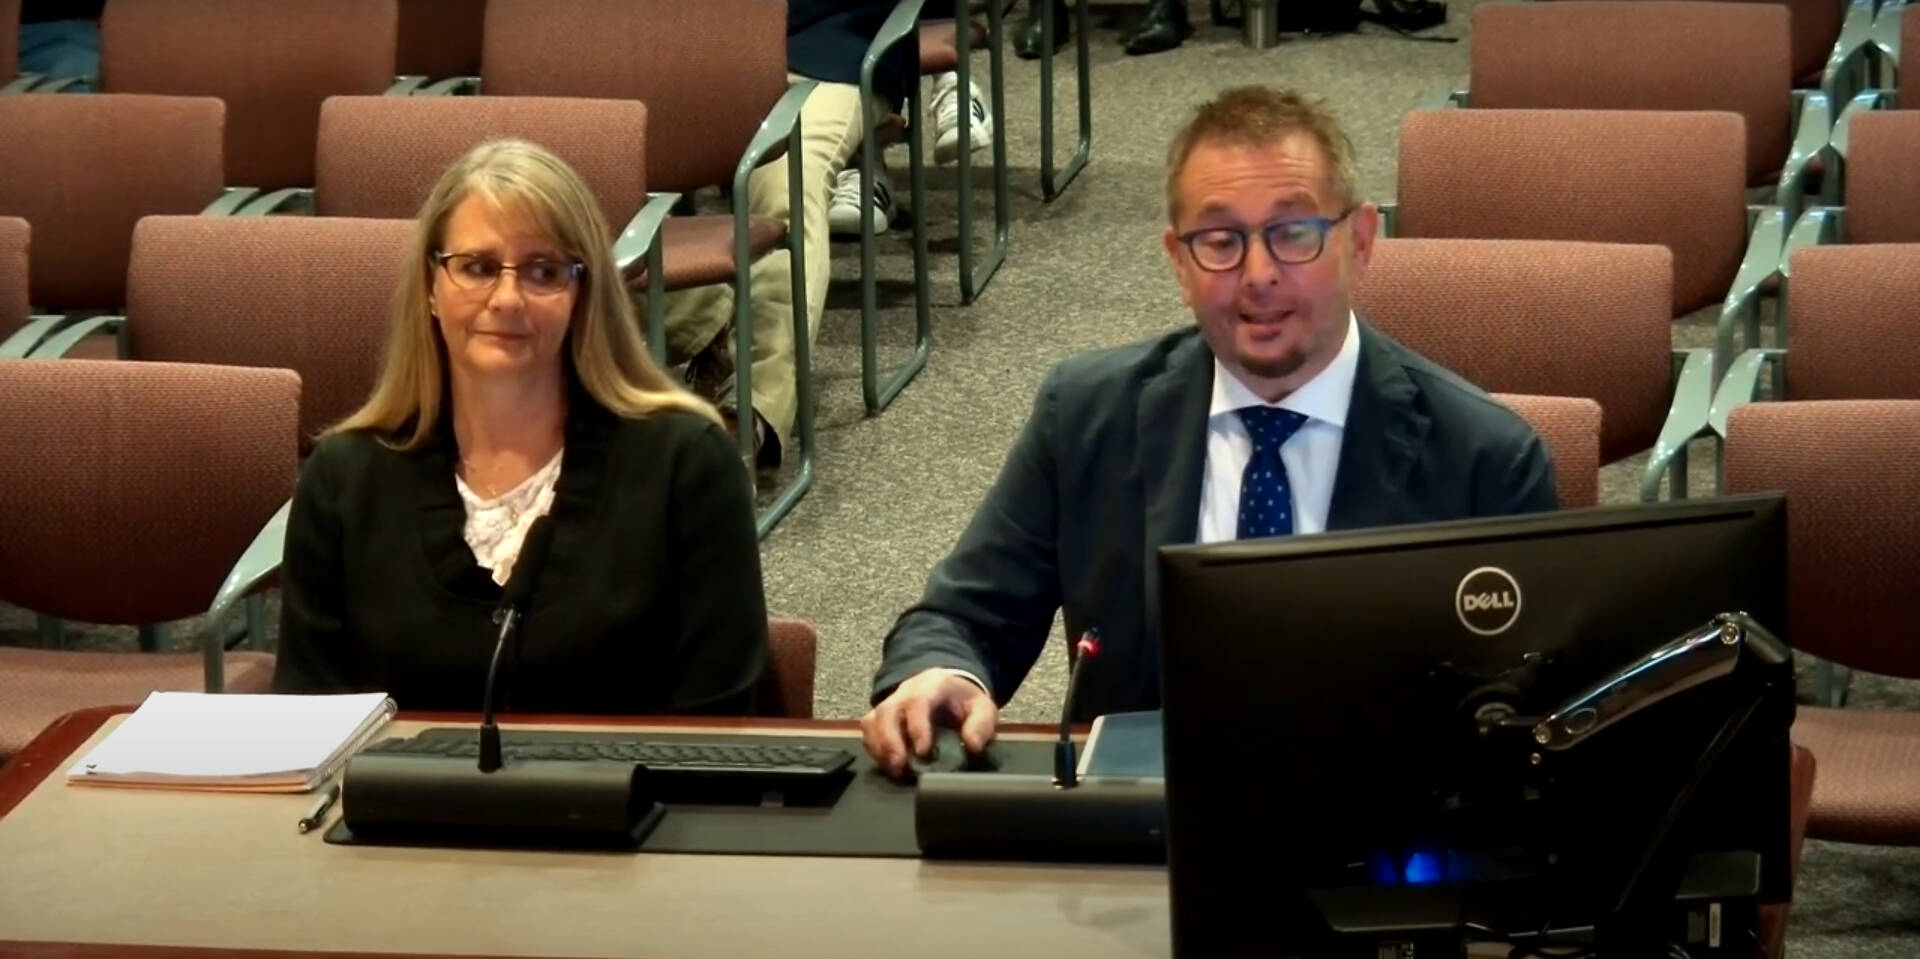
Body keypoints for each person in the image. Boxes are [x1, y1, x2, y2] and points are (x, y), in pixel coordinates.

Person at [860, 86, 1558, 776]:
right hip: (1138, 843)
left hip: (1383, 846)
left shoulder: (1484, 458)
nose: (1258, 276)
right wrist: (940, 671)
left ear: (1362, 241)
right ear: (1178, 260)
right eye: (1220, 241)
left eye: (1293, 234)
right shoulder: (1086, 414)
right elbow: (962, 618)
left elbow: (1529, 719)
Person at [275, 139, 770, 715]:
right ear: (431, 288)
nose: (507, 299)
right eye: (479, 268)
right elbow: (305, 729)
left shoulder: (685, 464)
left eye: (543, 272)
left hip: (637, 804)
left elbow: (720, 731)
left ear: (583, 294)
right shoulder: (343, 478)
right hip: (393, 808)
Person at [661, 0, 995, 465]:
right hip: (675, 52)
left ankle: (750, 409)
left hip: (824, 53)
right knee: (569, 183)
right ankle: (712, 314)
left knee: (786, 180)